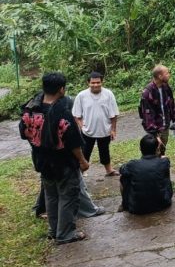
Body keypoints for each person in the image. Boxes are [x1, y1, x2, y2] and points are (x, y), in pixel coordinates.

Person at [19, 72, 91, 243]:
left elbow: (24, 133)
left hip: (41, 160)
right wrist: (82, 161)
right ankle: (65, 234)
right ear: (61, 89)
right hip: (63, 162)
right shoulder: (62, 112)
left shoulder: (30, 109)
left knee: (51, 195)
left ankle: (54, 229)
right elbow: (73, 142)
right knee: (68, 196)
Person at [72, 71, 119, 177]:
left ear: (102, 82)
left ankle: (109, 170)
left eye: (98, 82)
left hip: (105, 129)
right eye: (93, 83)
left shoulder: (108, 94)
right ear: (88, 83)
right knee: (85, 152)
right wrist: (81, 126)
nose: (96, 85)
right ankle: (80, 173)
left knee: (105, 151)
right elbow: (76, 114)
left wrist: (113, 129)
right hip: (87, 131)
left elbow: (114, 114)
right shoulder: (81, 96)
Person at [119, 134, 173, 214]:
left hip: (137, 208)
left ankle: (124, 203)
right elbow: (164, 157)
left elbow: (121, 169)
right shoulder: (164, 161)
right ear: (157, 149)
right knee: (163, 171)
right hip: (163, 204)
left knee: (123, 177)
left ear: (140, 148)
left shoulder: (132, 164)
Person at [140, 65, 175, 155]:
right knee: (153, 152)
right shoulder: (147, 92)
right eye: (167, 73)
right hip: (154, 128)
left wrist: (174, 119)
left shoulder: (166, 87)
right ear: (160, 76)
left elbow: (171, 104)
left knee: (162, 151)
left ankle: (160, 166)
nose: (169, 75)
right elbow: (147, 115)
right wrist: (154, 134)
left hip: (165, 125)